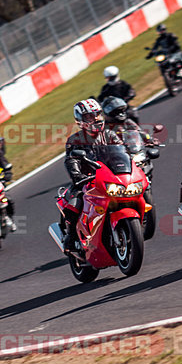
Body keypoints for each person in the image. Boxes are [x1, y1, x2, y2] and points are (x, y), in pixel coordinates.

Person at [61, 98, 119, 253]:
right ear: (80, 120)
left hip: (111, 177)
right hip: (87, 180)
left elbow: (123, 152)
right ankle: (71, 236)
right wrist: (77, 175)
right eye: (89, 117)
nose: (95, 119)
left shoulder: (110, 135)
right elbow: (71, 160)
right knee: (75, 201)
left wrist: (133, 161)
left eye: (97, 114)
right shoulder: (75, 140)